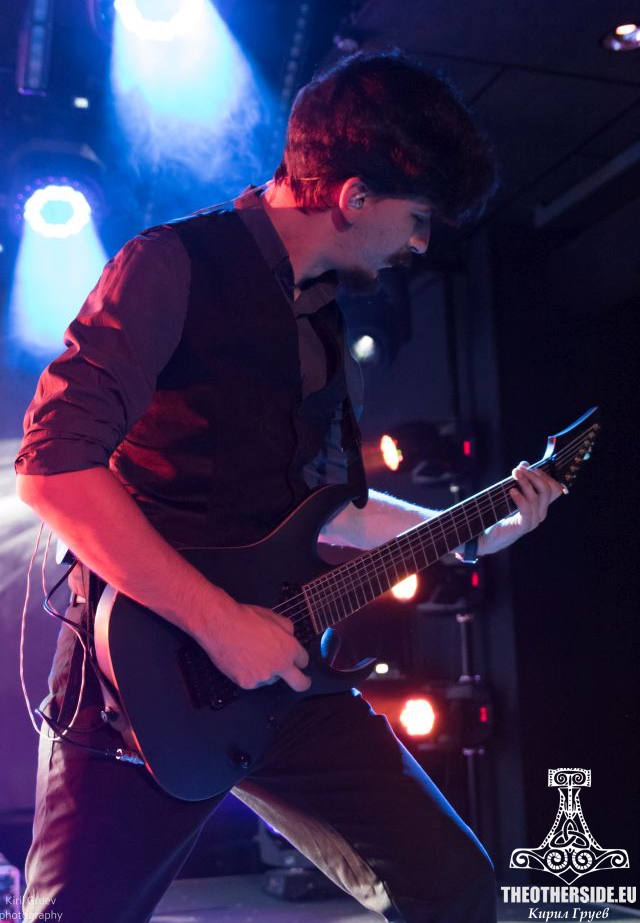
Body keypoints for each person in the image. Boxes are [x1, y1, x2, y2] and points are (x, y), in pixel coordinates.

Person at [15, 51, 563, 923]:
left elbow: (326, 509)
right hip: (138, 683)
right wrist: (218, 623)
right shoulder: (170, 265)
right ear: (354, 197)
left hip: (283, 678)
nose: (421, 244)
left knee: (455, 885)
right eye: (418, 218)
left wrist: (470, 526)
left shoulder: (319, 321)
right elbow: (54, 471)